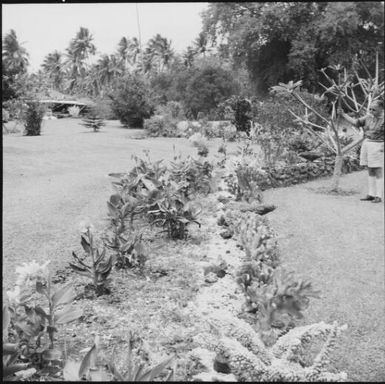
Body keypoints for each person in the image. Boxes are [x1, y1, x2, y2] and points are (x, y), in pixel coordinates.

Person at [338, 100, 384, 203]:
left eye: (374, 109)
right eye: (370, 109)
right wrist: (343, 114)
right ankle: (371, 194)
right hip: (367, 143)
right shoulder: (368, 117)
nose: (371, 111)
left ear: (381, 109)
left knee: (377, 169)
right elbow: (356, 122)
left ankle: (379, 196)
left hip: (378, 145)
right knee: (370, 169)